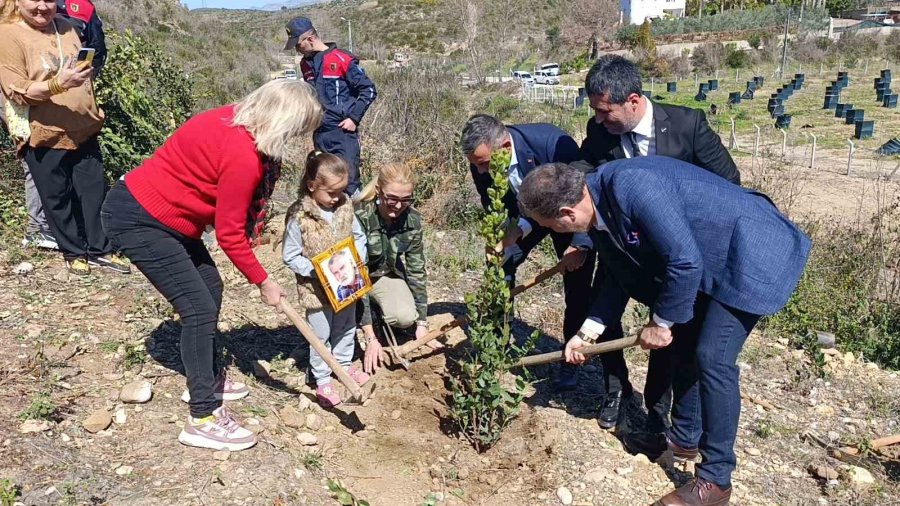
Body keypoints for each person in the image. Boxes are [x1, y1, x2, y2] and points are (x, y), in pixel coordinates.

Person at [517, 159, 810, 506]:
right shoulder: (595, 208)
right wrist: (587, 334)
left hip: (752, 250)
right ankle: (684, 439)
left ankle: (715, 483)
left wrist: (661, 322)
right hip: (709, 258)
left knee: (712, 356)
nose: (556, 232)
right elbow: (616, 277)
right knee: (685, 342)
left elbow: (684, 261)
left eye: (549, 225)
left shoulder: (630, 187)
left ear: (566, 213)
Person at [101, 80, 323, 451]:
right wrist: (264, 281)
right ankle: (202, 417)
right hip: (139, 220)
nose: (298, 140)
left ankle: (205, 374)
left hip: (167, 219)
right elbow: (230, 235)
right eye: (299, 130)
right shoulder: (244, 157)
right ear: (283, 122)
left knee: (209, 287)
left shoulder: (228, 118)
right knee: (199, 308)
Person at [578, 55, 742, 433]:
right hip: (625, 249)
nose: (599, 120)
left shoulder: (688, 125)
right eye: (596, 113)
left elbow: (728, 184)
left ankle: (666, 416)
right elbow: (584, 173)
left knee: (674, 334)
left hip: (681, 255)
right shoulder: (601, 130)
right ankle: (617, 393)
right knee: (604, 308)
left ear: (633, 100)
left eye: (606, 111)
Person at [461, 114, 595, 391]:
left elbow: (586, 193)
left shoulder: (551, 143)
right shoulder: (481, 163)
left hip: (569, 217)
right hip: (525, 220)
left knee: (578, 285)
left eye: (484, 163)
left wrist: (580, 243)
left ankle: (571, 360)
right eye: (476, 165)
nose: (481, 171)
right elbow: (493, 204)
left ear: (505, 147)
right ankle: (497, 343)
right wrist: (502, 238)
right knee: (500, 267)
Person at [0, 0, 127, 275]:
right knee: (56, 195)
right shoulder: (8, 34)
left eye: (48, 0)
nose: (42, 7)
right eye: (34, 0)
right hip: (44, 130)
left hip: (83, 126)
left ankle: (100, 248)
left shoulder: (69, 27)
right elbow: (17, 90)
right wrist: (60, 84)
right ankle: (73, 251)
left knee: (93, 191)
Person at [283, 151, 370, 408]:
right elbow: (290, 256)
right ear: (312, 186)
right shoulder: (300, 217)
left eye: (341, 191)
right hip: (317, 290)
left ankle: (342, 366)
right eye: (331, 192)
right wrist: (316, 270)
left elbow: (359, 237)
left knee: (345, 326)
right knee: (319, 334)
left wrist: (358, 259)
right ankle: (322, 379)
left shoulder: (345, 207)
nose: (336, 198)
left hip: (346, 284)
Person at [285, 16, 377, 196]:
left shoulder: (342, 59)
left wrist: (353, 118)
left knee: (348, 183)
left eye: (298, 45)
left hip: (342, 134)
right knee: (324, 182)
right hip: (320, 133)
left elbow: (369, 90)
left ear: (310, 39)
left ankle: (356, 220)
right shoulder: (305, 64)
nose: (297, 49)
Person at [355, 162, 431, 374]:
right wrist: (370, 337)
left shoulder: (412, 220)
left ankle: (378, 307)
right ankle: (366, 319)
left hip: (382, 275)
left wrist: (422, 324)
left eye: (406, 200)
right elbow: (354, 273)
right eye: (392, 199)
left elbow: (416, 270)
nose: (398, 206)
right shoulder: (358, 216)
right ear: (379, 191)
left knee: (405, 317)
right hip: (352, 280)